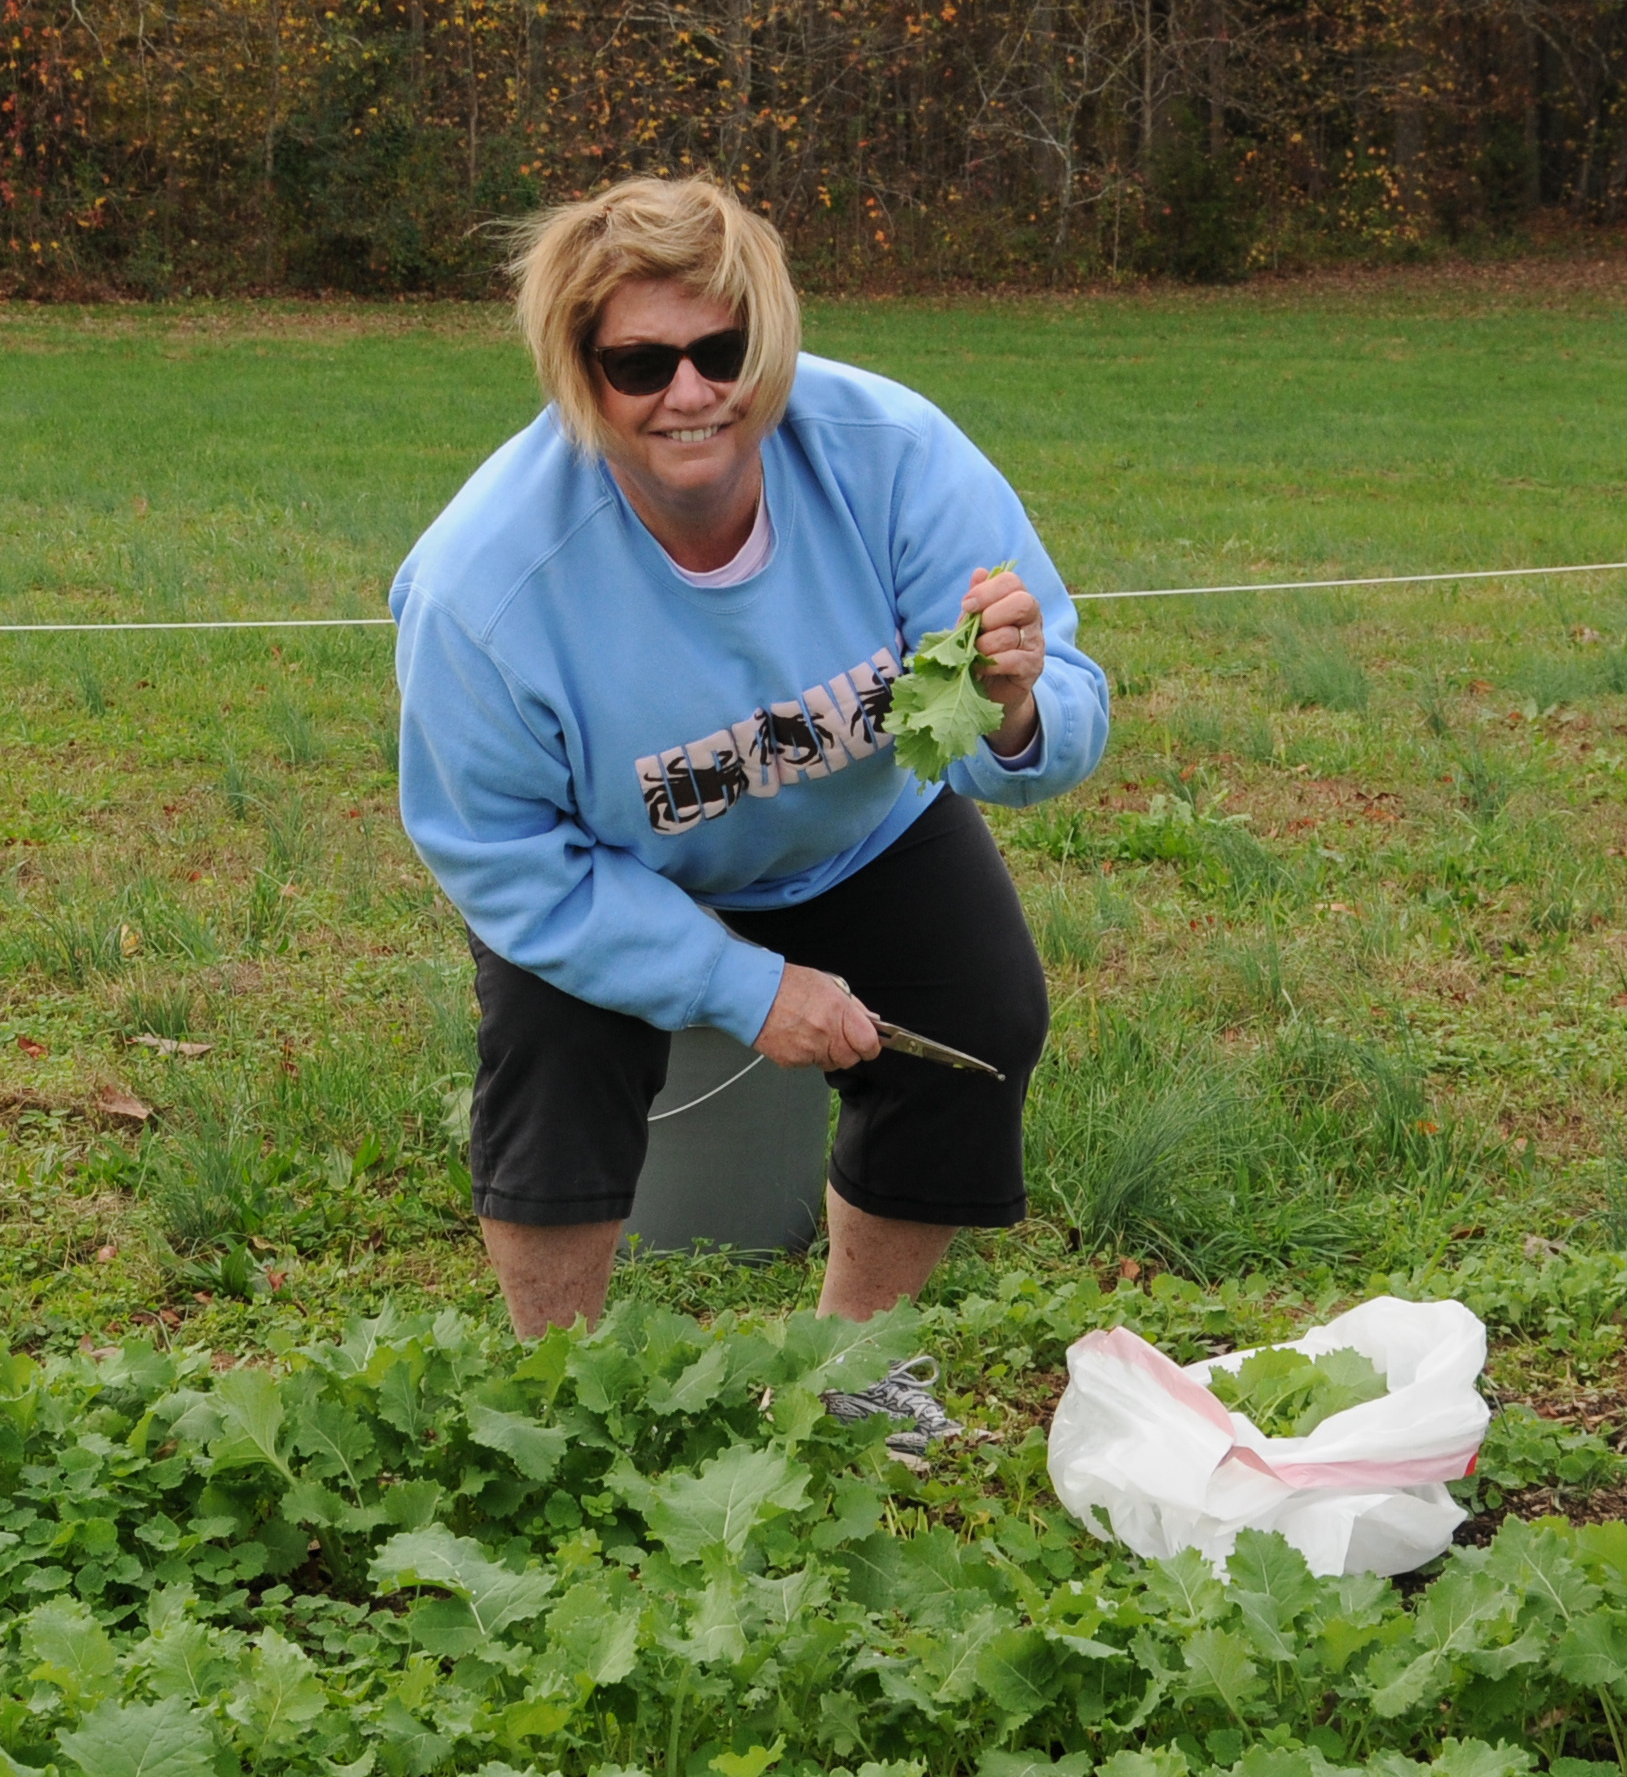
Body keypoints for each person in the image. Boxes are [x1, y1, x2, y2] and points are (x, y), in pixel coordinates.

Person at [390, 174, 1110, 1415]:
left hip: (853, 833)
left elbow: (1069, 707)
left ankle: (843, 1370)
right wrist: (746, 987)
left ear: (769, 343)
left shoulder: (893, 456)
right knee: (552, 1059)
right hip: (609, 868)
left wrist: (1016, 707)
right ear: (577, 370)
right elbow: (500, 852)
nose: (688, 392)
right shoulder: (481, 582)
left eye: (721, 349)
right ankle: (560, 1393)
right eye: (638, 362)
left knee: (979, 1017)